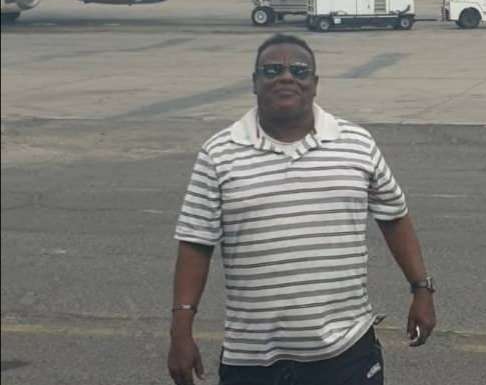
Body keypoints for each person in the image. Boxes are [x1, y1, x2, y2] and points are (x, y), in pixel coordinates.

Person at [168, 34, 436, 385]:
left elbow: (395, 218)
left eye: (299, 70)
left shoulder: (356, 143)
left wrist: (422, 288)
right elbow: (195, 243)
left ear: (315, 83)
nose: (286, 77)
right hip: (252, 359)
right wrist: (180, 330)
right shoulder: (219, 153)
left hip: (346, 353)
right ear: (254, 82)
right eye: (272, 70)